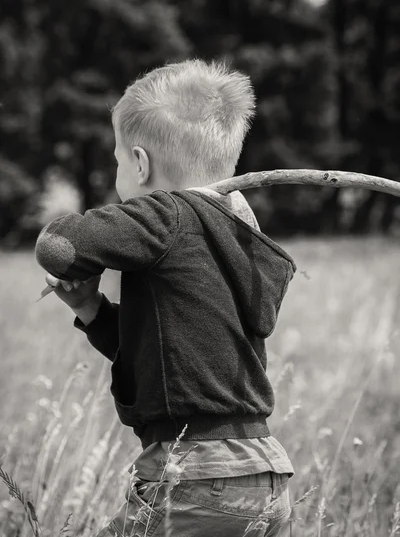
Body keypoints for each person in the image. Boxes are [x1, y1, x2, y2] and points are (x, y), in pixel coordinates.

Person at [35, 59, 297, 537]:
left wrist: (64, 255)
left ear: (139, 163)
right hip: (264, 476)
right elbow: (170, 352)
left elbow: (60, 245)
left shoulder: (166, 215)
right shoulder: (237, 237)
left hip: (194, 477)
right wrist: (91, 310)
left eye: (117, 162)